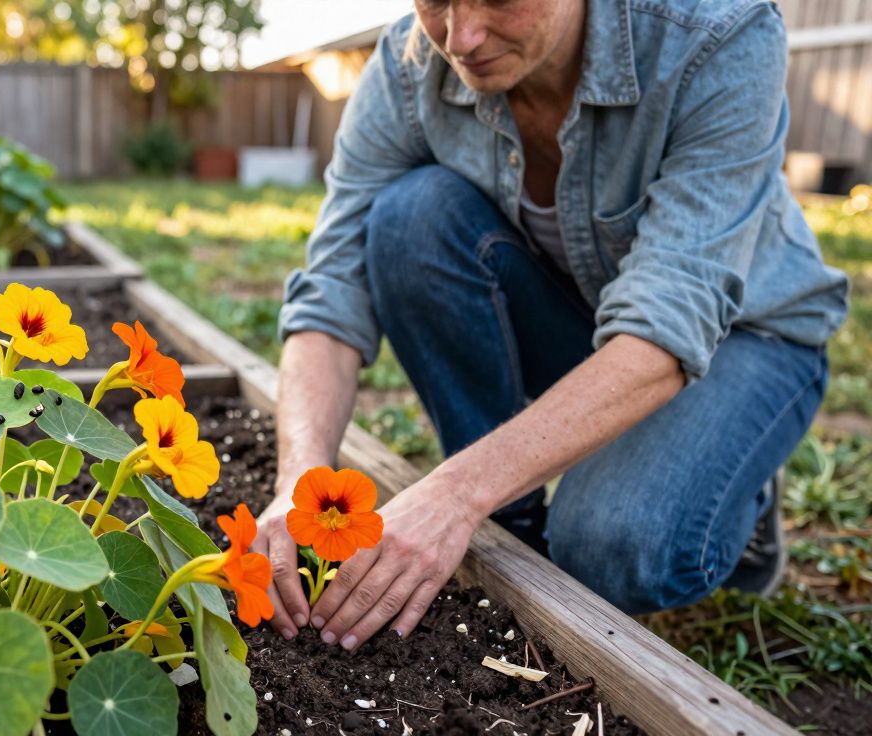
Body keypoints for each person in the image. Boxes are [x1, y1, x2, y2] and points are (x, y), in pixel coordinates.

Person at [253, 0, 850, 654]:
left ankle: (740, 480)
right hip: (586, 322)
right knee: (407, 218)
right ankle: (507, 525)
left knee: (607, 544)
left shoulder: (718, 34)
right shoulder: (408, 65)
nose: (461, 37)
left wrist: (451, 495)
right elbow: (333, 289)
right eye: (434, 2)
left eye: (499, 0)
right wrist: (298, 488)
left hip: (746, 336)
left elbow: (668, 319)